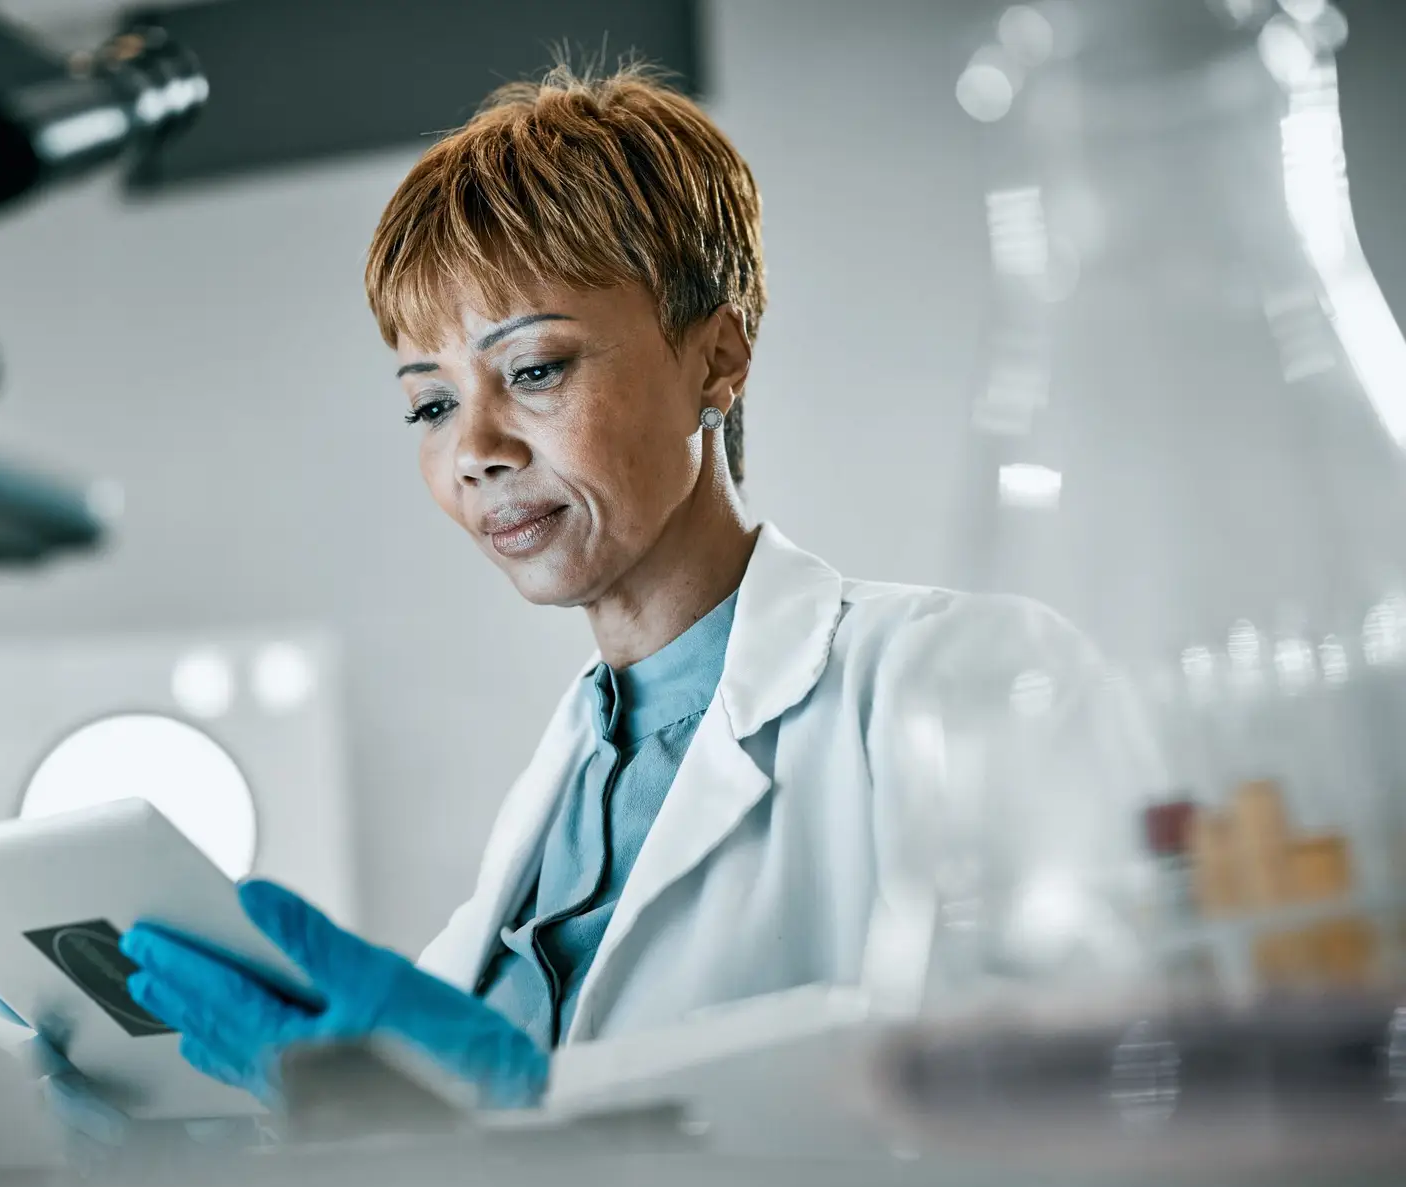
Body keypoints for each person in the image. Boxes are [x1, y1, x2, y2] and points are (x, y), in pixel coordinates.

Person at [106, 64, 1139, 1114]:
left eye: (537, 369)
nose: (477, 451)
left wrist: (531, 1101)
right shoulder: (562, 791)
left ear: (718, 360)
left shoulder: (963, 678)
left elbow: (1087, 1081)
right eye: (430, 407)